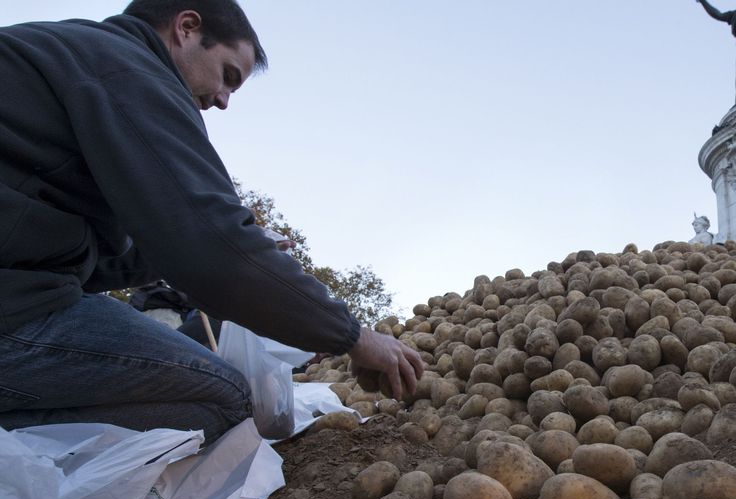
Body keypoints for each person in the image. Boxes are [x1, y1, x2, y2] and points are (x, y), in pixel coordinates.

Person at [0, 0, 422, 444]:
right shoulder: (129, 70)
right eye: (227, 75)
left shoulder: (71, 56)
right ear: (186, 28)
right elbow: (209, 242)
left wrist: (224, 249)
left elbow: (105, 255)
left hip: (22, 289)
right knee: (224, 400)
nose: (222, 101)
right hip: (16, 308)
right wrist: (353, 336)